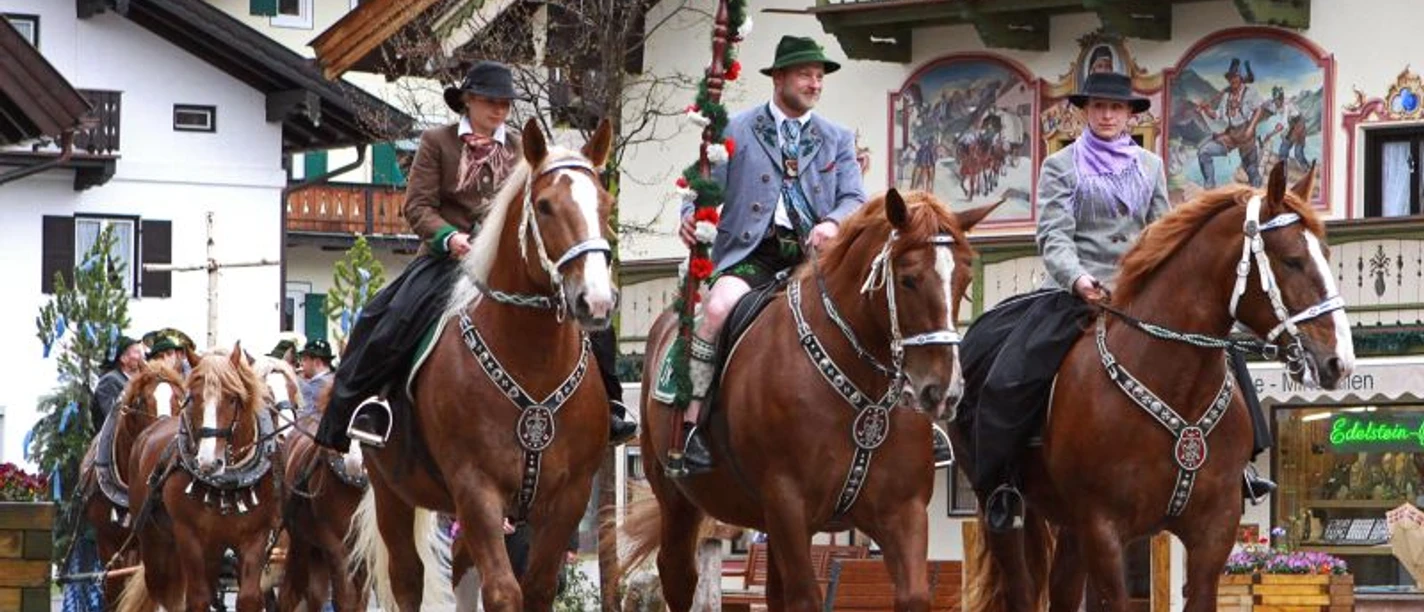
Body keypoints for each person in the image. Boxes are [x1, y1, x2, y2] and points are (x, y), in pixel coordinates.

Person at [957, 71, 1274, 533]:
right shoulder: (1061, 166)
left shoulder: (1149, 166)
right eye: (1099, 106)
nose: (1108, 115)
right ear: (1086, 111)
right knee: (1012, 376)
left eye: (1117, 107)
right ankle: (1004, 479)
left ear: (1129, 115)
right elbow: (1054, 235)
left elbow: (1164, 231)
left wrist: (1161, 285)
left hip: (1140, 295)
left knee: (1221, 354)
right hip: (1077, 293)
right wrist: (1079, 279)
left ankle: (1242, 470)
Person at [314, 60, 635, 452]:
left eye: (504, 103)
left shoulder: (523, 149)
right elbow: (417, 207)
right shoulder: (437, 141)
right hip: (447, 258)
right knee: (387, 316)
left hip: (507, 262)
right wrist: (449, 238)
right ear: (467, 100)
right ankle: (362, 408)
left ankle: (612, 404)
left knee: (591, 313)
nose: (498, 110)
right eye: (489, 101)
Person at [674, 35, 880, 474]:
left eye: (819, 77)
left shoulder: (837, 138)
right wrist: (692, 215)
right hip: (755, 252)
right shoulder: (735, 130)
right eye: (805, 74)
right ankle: (693, 423)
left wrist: (833, 223)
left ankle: (902, 420)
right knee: (716, 309)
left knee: (880, 305)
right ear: (780, 77)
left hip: (817, 257)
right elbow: (703, 187)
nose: (814, 83)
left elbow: (854, 199)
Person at [1195, 58, 1267, 188]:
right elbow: (1218, 115)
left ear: (1240, 78)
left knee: (1251, 169)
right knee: (1203, 152)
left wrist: (1251, 128)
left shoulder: (1250, 93)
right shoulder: (1226, 96)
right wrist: (1206, 109)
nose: (1233, 80)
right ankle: (1210, 187)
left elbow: (1259, 109)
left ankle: (1258, 195)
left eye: (1235, 77)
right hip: (1231, 134)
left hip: (1246, 135)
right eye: (1230, 77)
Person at [92, 335, 145, 430]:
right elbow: (114, 417)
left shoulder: (137, 381)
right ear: (123, 359)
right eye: (137, 352)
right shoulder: (110, 381)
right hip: (116, 441)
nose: (142, 357)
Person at [297, 338, 335, 414]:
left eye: (305, 359)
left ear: (317, 362)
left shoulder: (319, 384)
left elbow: (303, 419)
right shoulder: (334, 379)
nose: (301, 364)